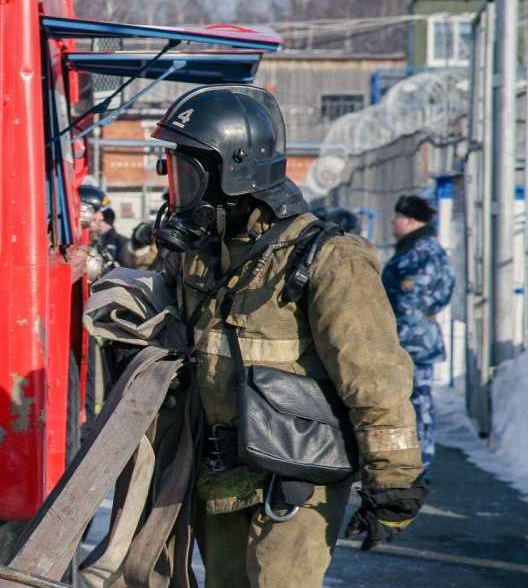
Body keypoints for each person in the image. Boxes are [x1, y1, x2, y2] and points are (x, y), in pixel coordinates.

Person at [150, 84, 425, 588]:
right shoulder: (201, 258)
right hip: (218, 473)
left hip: (295, 478)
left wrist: (393, 479)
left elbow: (376, 378)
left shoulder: (330, 258)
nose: (178, 190)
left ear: (233, 173)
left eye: (188, 175)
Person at [382, 194, 455, 475]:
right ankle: (413, 461)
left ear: (410, 220)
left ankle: (419, 462)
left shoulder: (421, 251)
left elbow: (413, 301)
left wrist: (393, 336)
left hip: (412, 340)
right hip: (414, 336)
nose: (393, 222)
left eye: (398, 217)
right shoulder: (419, 247)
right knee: (413, 399)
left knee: (417, 401)